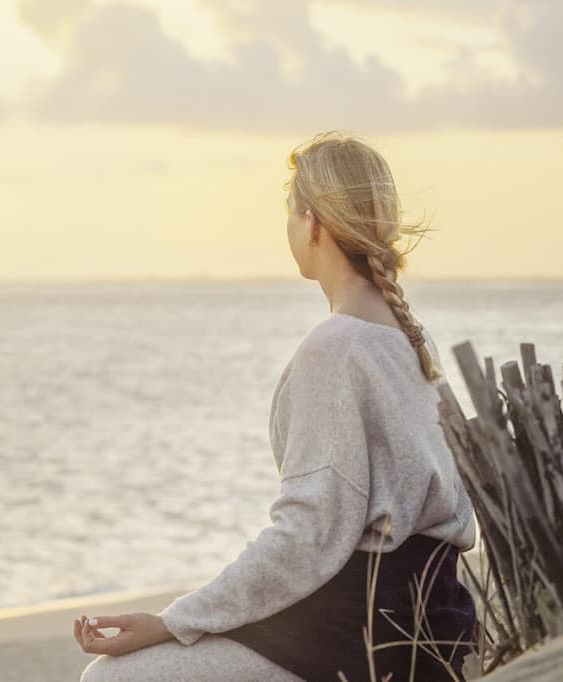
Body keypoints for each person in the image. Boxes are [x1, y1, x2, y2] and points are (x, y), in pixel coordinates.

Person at [71, 131, 480, 681]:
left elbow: (305, 538)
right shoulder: (407, 339)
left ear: (311, 223)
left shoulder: (337, 348)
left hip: (359, 636)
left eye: (291, 213)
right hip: (431, 621)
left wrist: (174, 621)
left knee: (109, 679)